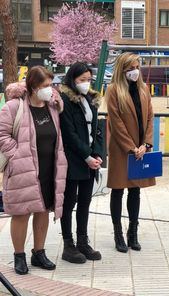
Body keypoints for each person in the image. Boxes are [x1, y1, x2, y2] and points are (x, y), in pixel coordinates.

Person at [0, 66, 67, 275]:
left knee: (43, 210)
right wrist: (16, 155)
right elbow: (2, 135)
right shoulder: (13, 107)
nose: (50, 89)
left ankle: (38, 252)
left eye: (51, 84)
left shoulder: (52, 108)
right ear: (33, 86)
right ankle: (19, 256)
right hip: (23, 169)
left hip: (49, 168)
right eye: (46, 86)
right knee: (21, 214)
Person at [105, 53, 155, 253]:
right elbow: (115, 123)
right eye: (130, 68)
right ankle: (118, 233)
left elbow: (150, 117)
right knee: (118, 190)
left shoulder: (143, 89)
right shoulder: (113, 90)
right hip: (121, 149)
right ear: (122, 70)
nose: (135, 71)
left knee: (136, 190)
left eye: (137, 67)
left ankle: (132, 232)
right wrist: (131, 147)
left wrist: (146, 144)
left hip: (140, 149)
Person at [59, 62, 104, 263]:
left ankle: (83, 241)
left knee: (85, 201)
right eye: (82, 80)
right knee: (69, 202)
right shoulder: (65, 100)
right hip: (73, 159)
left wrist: (97, 154)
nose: (86, 84)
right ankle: (68, 245)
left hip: (90, 159)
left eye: (88, 80)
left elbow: (96, 130)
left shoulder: (91, 99)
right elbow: (69, 133)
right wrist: (86, 156)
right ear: (72, 79)